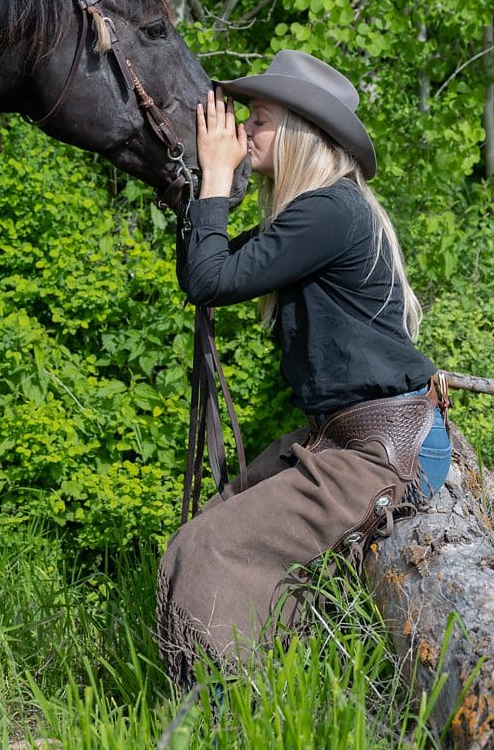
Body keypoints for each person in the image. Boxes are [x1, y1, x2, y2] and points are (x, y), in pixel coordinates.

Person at [156, 49, 451, 691]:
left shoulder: (329, 212)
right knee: (216, 520)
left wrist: (215, 177)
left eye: (256, 120)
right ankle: (274, 674)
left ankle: (235, 705)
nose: (241, 133)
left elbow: (210, 280)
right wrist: (206, 188)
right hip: (355, 437)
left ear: (296, 131)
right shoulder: (319, 212)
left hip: (381, 449)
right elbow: (202, 275)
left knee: (209, 550)